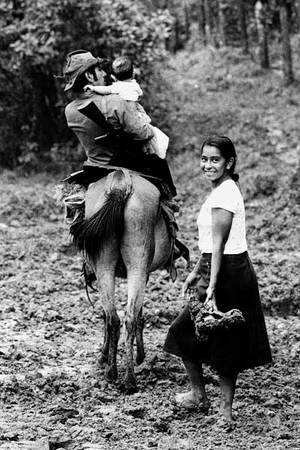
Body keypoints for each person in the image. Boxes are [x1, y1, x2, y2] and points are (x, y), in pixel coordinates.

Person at [164, 135, 272, 430]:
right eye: (204, 159)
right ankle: (199, 394)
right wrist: (196, 270)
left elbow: (221, 244)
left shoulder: (225, 195)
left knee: (227, 342)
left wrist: (210, 285)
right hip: (215, 267)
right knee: (183, 332)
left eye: (215, 160)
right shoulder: (220, 191)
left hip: (230, 273)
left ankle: (225, 412)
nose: (208, 165)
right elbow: (210, 245)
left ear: (229, 163)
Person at [84, 55, 169, 159]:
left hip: (127, 120)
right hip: (135, 114)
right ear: (133, 73)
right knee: (149, 136)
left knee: (140, 131)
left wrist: (93, 88)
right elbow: (139, 96)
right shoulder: (134, 86)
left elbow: (105, 90)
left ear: (113, 77)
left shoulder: (115, 89)